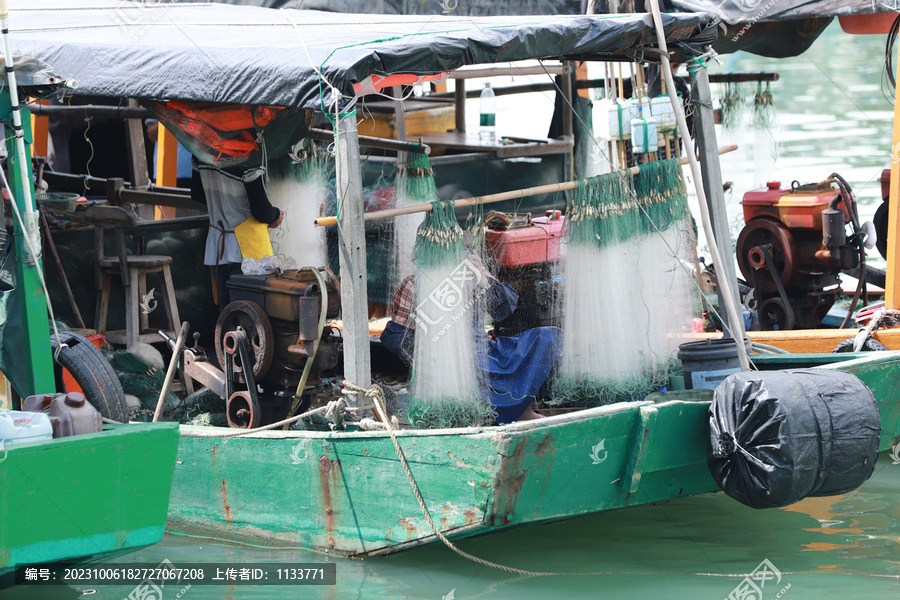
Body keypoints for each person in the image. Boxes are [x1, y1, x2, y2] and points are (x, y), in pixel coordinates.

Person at [380, 252, 562, 424]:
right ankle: (470, 413)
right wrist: (432, 351)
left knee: (547, 337)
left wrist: (483, 281)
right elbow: (393, 337)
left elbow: (505, 310)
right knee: (460, 371)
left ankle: (522, 410)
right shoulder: (413, 284)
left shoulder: (470, 273)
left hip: (486, 351)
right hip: (447, 365)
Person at [191, 158, 285, 311]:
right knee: (250, 314)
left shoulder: (201, 153)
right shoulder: (250, 155)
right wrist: (275, 215)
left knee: (227, 314)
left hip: (217, 248)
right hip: (246, 253)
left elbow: (197, 194)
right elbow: (261, 211)